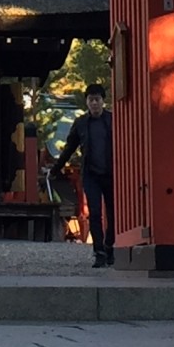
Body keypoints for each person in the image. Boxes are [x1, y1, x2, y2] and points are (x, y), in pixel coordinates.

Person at [53, 85, 115, 267]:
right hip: (91, 173)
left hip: (111, 172)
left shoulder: (113, 120)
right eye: (91, 100)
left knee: (113, 214)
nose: (94, 103)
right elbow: (69, 147)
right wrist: (57, 168)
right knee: (94, 213)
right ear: (87, 102)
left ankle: (110, 245)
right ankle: (99, 251)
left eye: (97, 99)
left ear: (103, 101)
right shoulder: (81, 124)